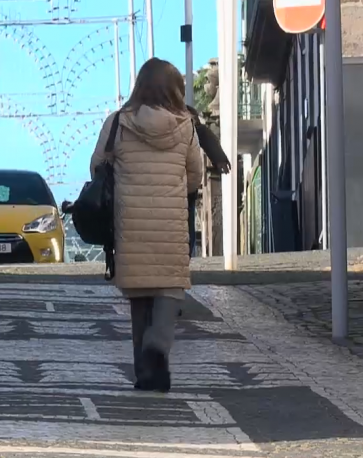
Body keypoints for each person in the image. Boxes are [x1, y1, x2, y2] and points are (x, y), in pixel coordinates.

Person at [88, 57, 205, 393]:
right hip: (169, 225)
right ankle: (158, 346)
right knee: (169, 290)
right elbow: (195, 175)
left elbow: (98, 166)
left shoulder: (118, 123)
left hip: (131, 225)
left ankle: (146, 374)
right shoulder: (186, 127)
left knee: (140, 300)